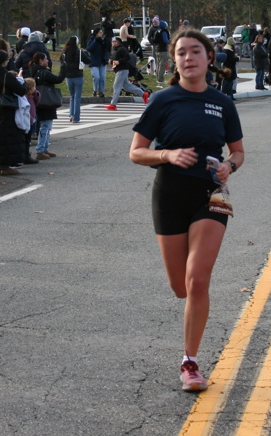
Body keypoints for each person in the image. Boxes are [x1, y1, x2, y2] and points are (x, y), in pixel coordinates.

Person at [128, 28, 245, 392]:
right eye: (181, 52)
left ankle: (190, 362)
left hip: (210, 196)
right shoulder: (163, 100)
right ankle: (190, 351)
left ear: (209, 58)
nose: (188, 57)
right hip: (169, 196)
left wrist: (230, 166)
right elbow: (136, 152)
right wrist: (167, 154)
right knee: (181, 287)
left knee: (198, 280)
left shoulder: (222, 103)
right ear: (174, 60)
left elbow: (238, 151)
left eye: (196, 51)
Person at [0, 49, 29, 175]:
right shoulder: (6, 75)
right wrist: (22, 81)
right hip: (6, 109)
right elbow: (21, 90)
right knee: (7, 138)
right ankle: (6, 165)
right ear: (4, 61)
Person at [30, 52, 65, 159]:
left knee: (44, 125)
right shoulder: (44, 73)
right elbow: (58, 79)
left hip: (40, 101)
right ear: (41, 61)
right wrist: (64, 68)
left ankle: (44, 148)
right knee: (46, 126)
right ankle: (41, 149)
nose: (48, 61)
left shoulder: (35, 71)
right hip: (47, 101)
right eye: (45, 59)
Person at [106, 37, 148, 110]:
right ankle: (144, 94)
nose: (112, 43)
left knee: (116, 86)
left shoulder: (122, 49)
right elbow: (116, 60)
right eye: (112, 41)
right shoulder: (114, 50)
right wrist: (112, 62)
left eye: (114, 41)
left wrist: (119, 62)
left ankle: (113, 104)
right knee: (127, 86)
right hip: (119, 70)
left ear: (118, 42)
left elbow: (127, 57)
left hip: (122, 70)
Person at [60, 36, 84, 123]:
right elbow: (88, 60)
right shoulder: (79, 52)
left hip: (69, 76)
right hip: (78, 75)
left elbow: (62, 62)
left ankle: (71, 114)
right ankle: (76, 117)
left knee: (72, 96)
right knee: (77, 97)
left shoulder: (65, 52)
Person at [87, 27, 109, 97]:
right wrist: (95, 41)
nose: (101, 34)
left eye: (102, 32)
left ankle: (101, 91)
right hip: (94, 61)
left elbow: (107, 49)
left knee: (102, 77)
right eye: (100, 32)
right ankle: (95, 90)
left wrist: (107, 58)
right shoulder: (92, 40)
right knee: (96, 77)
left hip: (102, 61)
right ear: (96, 33)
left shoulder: (103, 40)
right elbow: (89, 49)